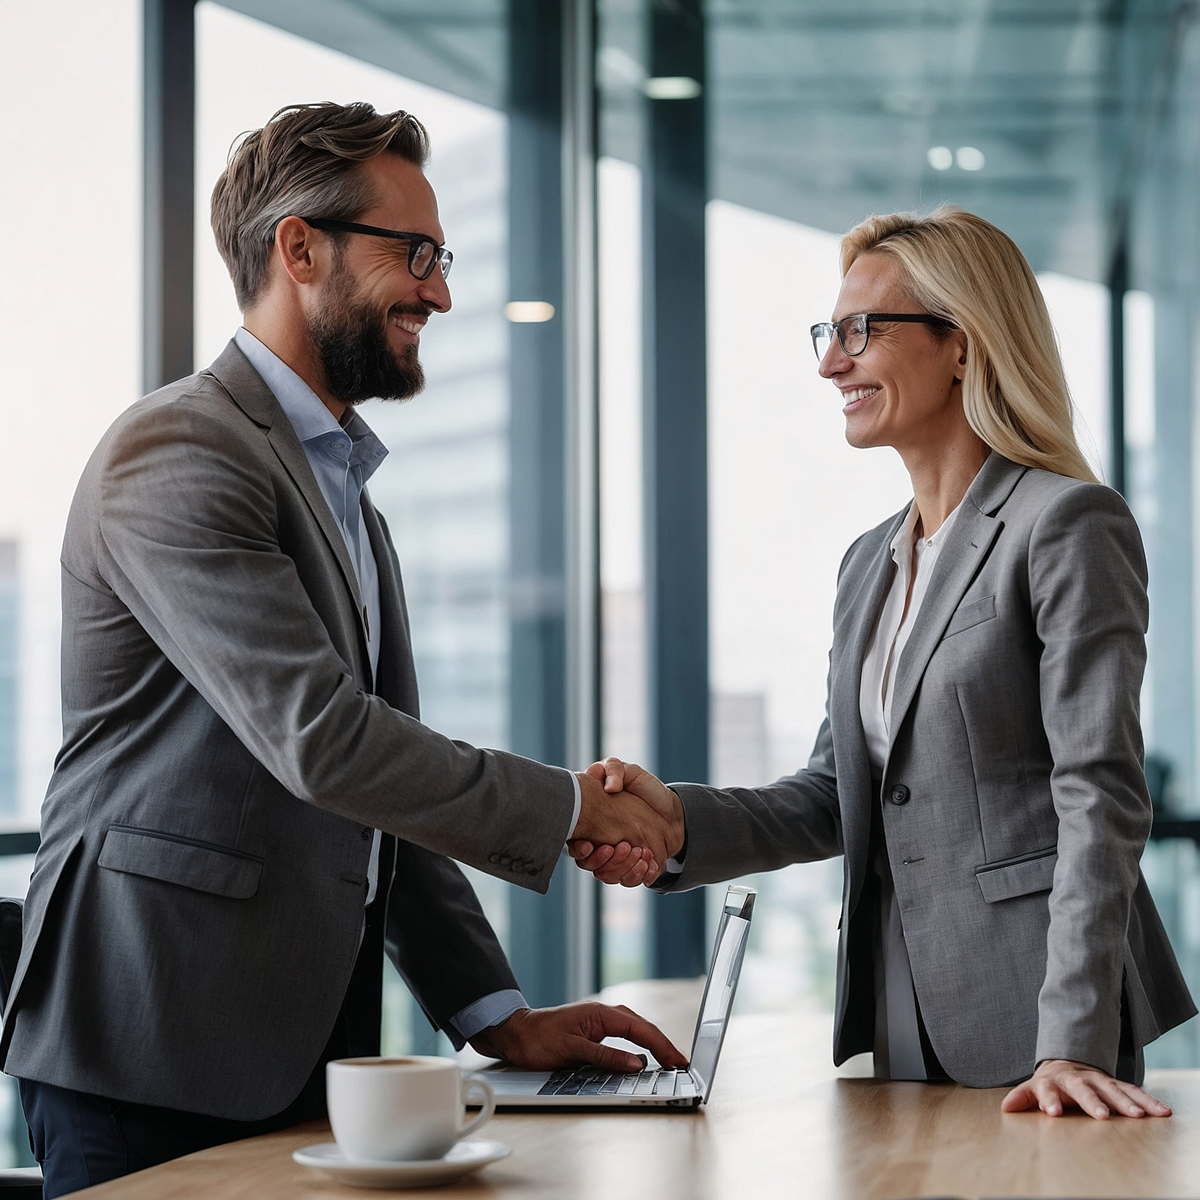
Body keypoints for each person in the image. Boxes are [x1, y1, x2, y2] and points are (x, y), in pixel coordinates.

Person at [1, 102, 682, 1198]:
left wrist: (498, 1015)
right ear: (299, 248)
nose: (441, 291)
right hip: (151, 1035)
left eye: (442, 257)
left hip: (296, 1043)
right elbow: (323, 742)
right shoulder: (180, 446)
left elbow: (378, 788)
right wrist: (567, 808)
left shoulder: (345, 497)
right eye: (414, 254)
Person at [571, 207, 1196, 1120]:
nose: (831, 362)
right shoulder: (870, 561)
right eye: (830, 333)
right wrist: (676, 823)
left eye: (861, 331)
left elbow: (1098, 796)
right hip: (901, 1005)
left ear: (962, 344)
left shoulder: (1065, 523)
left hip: (1048, 1023)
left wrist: (1070, 1039)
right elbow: (836, 793)